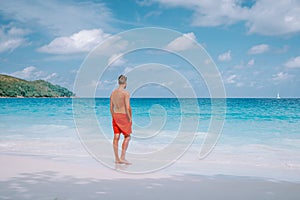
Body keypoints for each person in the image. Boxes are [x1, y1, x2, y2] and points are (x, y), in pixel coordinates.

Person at [110, 75, 132, 165]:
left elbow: (111, 107)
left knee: (116, 137)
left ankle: (117, 159)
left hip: (115, 115)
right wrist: (130, 117)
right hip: (123, 116)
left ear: (118, 82)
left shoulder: (113, 93)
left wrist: (113, 117)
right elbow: (127, 107)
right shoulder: (125, 93)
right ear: (125, 83)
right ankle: (122, 157)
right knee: (127, 136)